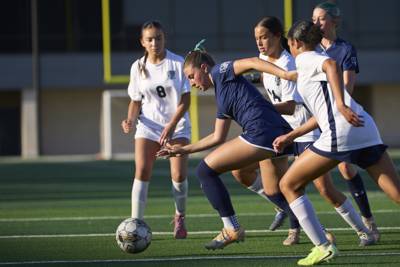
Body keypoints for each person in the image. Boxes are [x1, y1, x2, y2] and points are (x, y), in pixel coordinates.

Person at [233, 16, 375, 246]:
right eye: (256, 38)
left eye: (264, 37)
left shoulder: (291, 63)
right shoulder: (263, 59)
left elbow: (290, 105)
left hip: (304, 130)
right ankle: (304, 224)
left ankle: (363, 230)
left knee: (325, 188)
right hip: (280, 130)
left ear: (279, 37)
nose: (259, 42)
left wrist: (258, 107)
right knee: (264, 184)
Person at [273, 20, 400, 266]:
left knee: (288, 184)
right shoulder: (314, 58)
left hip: (341, 130)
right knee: (396, 193)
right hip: (364, 127)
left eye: (289, 44)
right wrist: (291, 135)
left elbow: (331, 66)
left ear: (296, 43)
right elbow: (322, 112)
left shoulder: (306, 58)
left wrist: (340, 105)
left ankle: (322, 246)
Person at [157, 42, 298, 250]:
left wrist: (286, 75)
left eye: (190, 76)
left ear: (204, 68)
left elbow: (253, 62)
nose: (191, 83)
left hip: (262, 133)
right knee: (273, 187)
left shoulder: (221, 71)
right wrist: (182, 150)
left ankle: (231, 228)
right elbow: (217, 137)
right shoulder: (222, 94)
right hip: (277, 132)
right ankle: (320, 232)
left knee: (205, 171)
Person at [312, 1, 379, 241]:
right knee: (319, 181)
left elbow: (347, 88)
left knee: (347, 168)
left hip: (339, 116)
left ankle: (367, 222)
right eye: (314, 19)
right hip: (315, 119)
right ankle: (303, 228)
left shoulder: (345, 49)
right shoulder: (311, 50)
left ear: (334, 21)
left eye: (321, 18)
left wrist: (335, 106)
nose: (316, 23)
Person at [121, 20, 191, 239]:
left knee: (178, 175)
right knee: (142, 171)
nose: (155, 43)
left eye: (158, 38)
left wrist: (171, 126)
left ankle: (179, 216)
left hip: (177, 126)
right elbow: (135, 101)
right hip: (148, 126)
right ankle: (135, 224)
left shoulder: (178, 63)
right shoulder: (137, 67)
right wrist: (130, 119)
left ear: (164, 39)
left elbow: (186, 100)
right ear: (143, 42)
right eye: (150, 39)